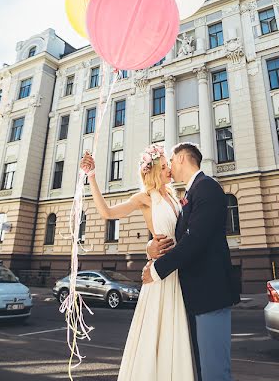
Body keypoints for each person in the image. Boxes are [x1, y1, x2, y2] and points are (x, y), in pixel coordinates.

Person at [80, 145, 194, 381]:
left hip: (177, 273)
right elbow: (107, 213)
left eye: (167, 165)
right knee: (155, 331)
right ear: (152, 172)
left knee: (175, 332)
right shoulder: (144, 198)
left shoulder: (174, 196)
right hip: (159, 276)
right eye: (164, 167)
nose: (169, 170)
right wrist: (91, 177)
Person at [144, 142, 238, 381]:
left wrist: (156, 270)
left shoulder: (207, 187)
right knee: (202, 369)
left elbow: (195, 241)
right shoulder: (190, 193)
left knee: (215, 372)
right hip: (195, 297)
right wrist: (150, 249)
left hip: (210, 296)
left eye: (172, 162)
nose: (169, 168)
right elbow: (176, 239)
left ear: (183, 159)